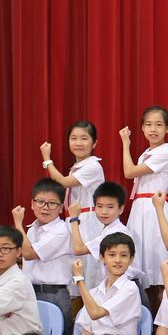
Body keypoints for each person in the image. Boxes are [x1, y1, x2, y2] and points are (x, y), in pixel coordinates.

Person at [13, 177, 72, 335]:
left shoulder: (61, 230)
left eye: (52, 204)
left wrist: (17, 225)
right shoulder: (32, 229)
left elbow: (28, 253)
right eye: (40, 202)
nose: (45, 208)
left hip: (54, 296)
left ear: (61, 207)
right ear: (32, 203)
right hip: (29, 297)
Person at [121, 105, 168, 301]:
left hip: (155, 209)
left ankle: (161, 315)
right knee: (142, 264)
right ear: (142, 128)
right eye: (148, 125)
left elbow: (129, 172)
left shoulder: (166, 152)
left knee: (159, 268)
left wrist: (125, 144)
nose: (153, 129)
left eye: (158, 125)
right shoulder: (146, 152)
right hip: (141, 209)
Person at [41, 120, 106, 288]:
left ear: (94, 143)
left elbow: (63, 182)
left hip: (88, 221)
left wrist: (47, 160)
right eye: (74, 138)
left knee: (88, 270)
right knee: (75, 269)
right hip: (76, 219)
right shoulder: (77, 167)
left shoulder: (93, 166)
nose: (78, 143)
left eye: (84, 138)